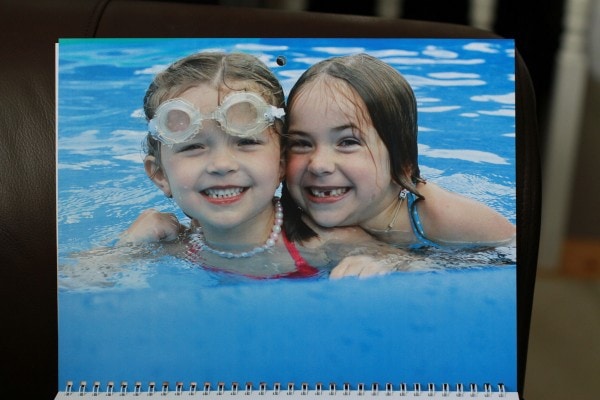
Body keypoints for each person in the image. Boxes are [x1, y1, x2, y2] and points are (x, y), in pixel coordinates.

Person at [119, 51, 414, 280]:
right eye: (194, 147)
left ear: (282, 162)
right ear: (159, 175)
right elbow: (81, 280)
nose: (222, 164)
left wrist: (384, 262)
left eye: (246, 143)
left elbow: (430, 264)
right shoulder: (175, 244)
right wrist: (126, 247)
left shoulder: (323, 243)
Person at [281, 53, 516, 250]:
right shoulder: (277, 214)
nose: (318, 164)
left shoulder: (446, 219)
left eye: (347, 142)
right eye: (301, 143)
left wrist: (391, 259)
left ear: (402, 160)